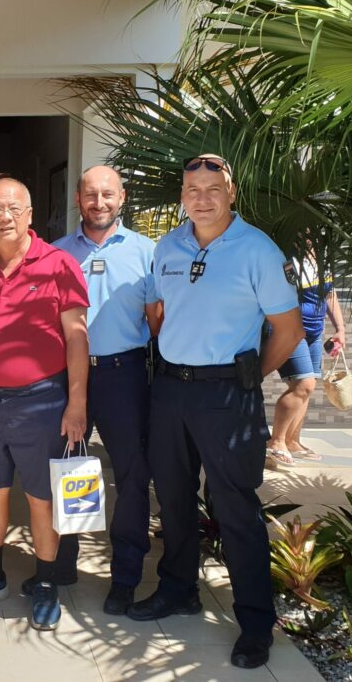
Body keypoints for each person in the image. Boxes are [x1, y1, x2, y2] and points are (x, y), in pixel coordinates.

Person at [131, 154, 303, 669]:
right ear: (182, 196)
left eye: (212, 188)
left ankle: (255, 623)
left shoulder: (256, 250)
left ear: (231, 192)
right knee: (176, 499)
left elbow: (289, 329)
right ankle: (178, 589)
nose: (200, 198)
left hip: (229, 395)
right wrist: (178, 351)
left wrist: (249, 376)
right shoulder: (169, 245)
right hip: (171, 391)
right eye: (191, 189)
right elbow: (157, 310)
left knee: (235, 508)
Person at [0, 178, 89, 631]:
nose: (5, 217)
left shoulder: (59, 264)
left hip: (43, 400)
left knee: (40, 498)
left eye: (14, 208)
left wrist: (77, 402)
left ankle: (47, 582)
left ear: (30, 214)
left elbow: (76, 335)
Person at [51, 165, 157, 615]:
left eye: (107, 194)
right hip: (66, 376)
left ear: (122, 197)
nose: (99, 202)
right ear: (78, 199)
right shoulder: (55, 254)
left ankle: (125, 576)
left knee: (132, 477)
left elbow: (158, 321)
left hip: (124, 374)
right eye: (91, 195)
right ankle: (60, 565)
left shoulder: (148, 252)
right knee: (62, 467)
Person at [265, 249, 346, 467]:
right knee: (303, 384)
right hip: (291, 330)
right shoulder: (283, 256)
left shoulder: (322, 256)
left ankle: (292, 441)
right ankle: (276, 441)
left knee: (309, 384)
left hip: (314, 331)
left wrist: (340, 328)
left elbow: (330, 294)